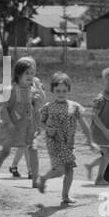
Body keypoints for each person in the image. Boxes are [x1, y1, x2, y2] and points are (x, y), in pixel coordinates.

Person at [34, 72, 95, 205]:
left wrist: (90, 141)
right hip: (54, 141)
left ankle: (65, 196)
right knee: (61, 170)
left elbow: (84, 125)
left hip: (68, 143)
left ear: (68, 90)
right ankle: (43, 178)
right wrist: (46, 128)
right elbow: (40, 122)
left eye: (64, 90)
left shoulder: (75, 107)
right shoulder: (48, 107)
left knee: (69, 169)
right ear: (52, 90)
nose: (61, 93)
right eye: (58, 91)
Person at [0, 57, 45, 184]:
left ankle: (35, 179)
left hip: (28, 126)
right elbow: (4, 109)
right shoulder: (11, 90)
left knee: (33, 149)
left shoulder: (33, 90)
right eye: (27, 73)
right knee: (5, 152)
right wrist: (9, 123)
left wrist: (38, 124)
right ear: (18, 74)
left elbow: (35, 109)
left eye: (32, 73)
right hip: (12, 126)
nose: (30, 76)